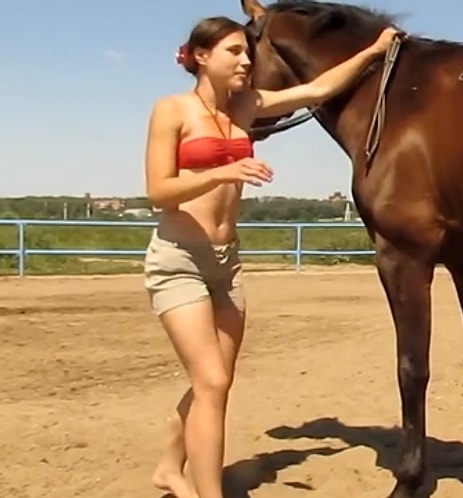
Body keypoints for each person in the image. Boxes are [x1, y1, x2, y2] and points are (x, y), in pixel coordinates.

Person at [142, 15, 401, 498]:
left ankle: (168, 468)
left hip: (226, 263)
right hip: (179, 260)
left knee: (212, 382)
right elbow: (159, 191)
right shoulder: (172, 110)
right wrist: (224, 172)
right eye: (234, 53)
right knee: (213, 382)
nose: (246, 61)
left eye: (247, 52)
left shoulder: (248, 105)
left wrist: (372, 51)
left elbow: (318, 88)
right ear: (201, 56)